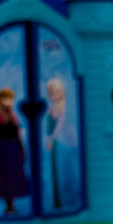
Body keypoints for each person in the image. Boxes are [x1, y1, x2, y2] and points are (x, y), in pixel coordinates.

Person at [0, 88, 30, 214]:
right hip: (3, 150)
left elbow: (18, 134)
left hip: (14, 149)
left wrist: (22, 150)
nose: (7, 101)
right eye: (5, 98)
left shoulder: (13, 116)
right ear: (0, 100)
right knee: (4, 177)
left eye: (9, 98)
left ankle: (12, 204)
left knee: (14, 176)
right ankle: (8, 205)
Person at [44, 78, 81, 210]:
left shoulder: (63, 107)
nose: (56, 94)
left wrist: (51, 138)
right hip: (60, 143)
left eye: (59, 91)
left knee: (69, 167)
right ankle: (62, 197)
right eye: (53, 92)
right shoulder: (52, 106)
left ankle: (70, 197)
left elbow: (60, 125)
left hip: (66, 142)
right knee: (63, 169)